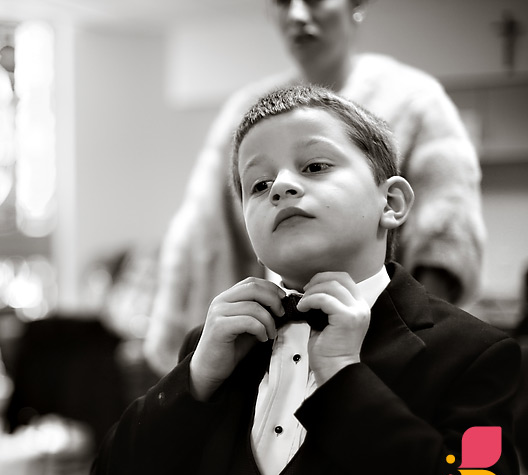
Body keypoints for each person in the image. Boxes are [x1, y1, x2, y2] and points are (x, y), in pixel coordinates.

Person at [89, 85, 520, 475]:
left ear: (390, 203)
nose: (280, 186)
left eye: (315, 166)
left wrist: (345, 378)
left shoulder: (475, 353)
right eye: (259, 185)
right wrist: (195, 380)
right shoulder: (214, 347)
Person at [144, 0, 486, 376]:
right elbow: (204, 238)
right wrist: (207, 368)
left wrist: (408, 349)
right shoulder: (241, 114)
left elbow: (445, 237)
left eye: (316, 167)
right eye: (283, 2)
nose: (297, 15)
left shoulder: (415, 102)